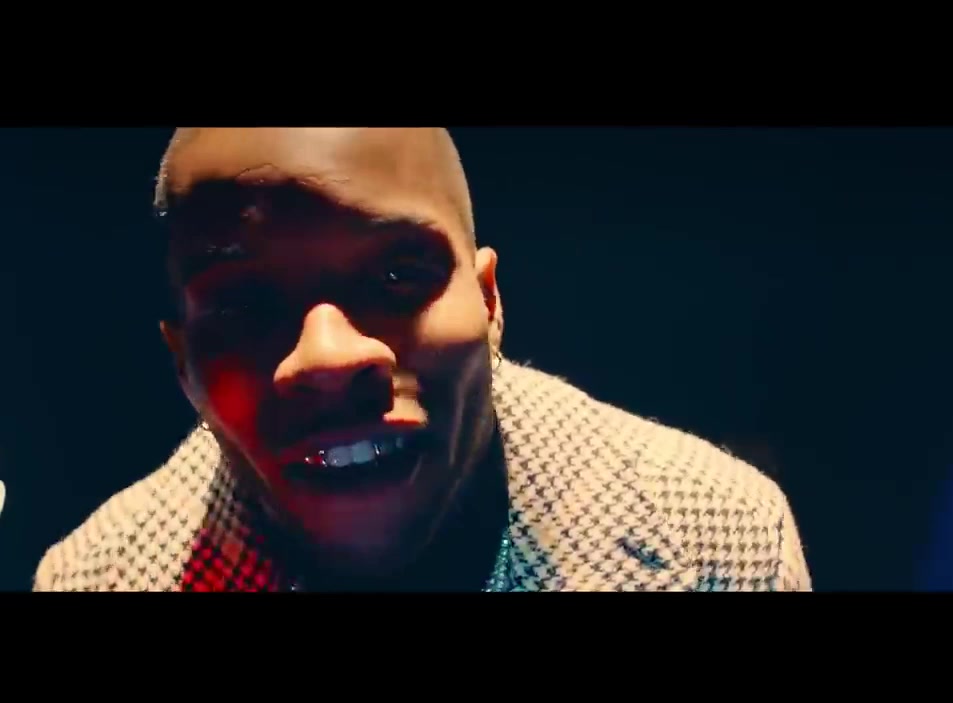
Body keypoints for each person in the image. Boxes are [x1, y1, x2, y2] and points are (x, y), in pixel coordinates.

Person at [32, 128, 812, 592]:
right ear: (180, 362)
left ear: (489, 300)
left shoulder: (717, 539)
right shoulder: (94, 579)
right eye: (243, 307)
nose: (327, 357)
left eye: (397, 277)